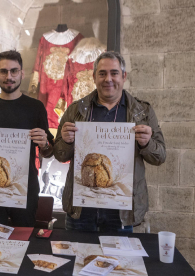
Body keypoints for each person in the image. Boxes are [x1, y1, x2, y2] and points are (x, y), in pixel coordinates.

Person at [54, 51, 166, 233]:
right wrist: (66, 142)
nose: (108, 79)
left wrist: (147, 144)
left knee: (117, 261)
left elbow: (160, 156)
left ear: (123, 76)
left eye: (114, 73)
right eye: (102, 73)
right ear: (94, 77)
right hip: (82, 210)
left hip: (120, 211)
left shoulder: (142, 111)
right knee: (76, 258)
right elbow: (59, 154)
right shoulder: (76, 110)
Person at [0, 50, 54, 227]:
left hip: (25, 187)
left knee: (24, 237)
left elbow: (49, 151)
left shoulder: (35, 107)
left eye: (14, 71)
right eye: (4, 71)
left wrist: (44, 143)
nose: (9, 76)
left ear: (22, 73)